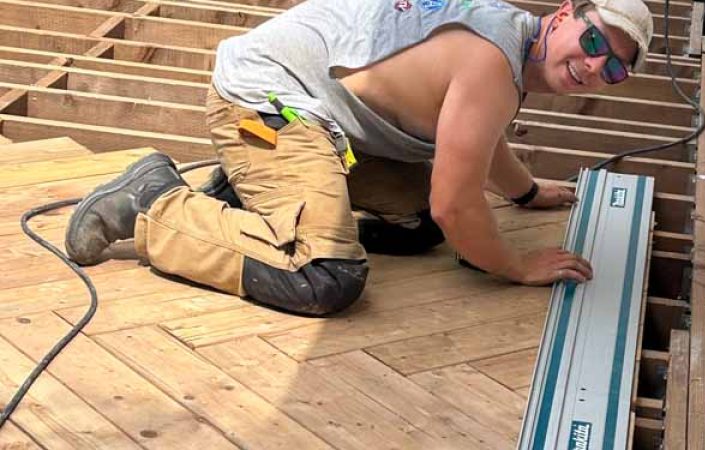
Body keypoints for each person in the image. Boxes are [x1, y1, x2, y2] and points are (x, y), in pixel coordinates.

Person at [64, 0, 653, 315]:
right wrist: (514, 265)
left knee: (416, 224)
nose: (597, 65)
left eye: (617, 67)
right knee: (323, 277)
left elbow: (477, 136)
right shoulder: (493, 65)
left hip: (321, 113)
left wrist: (524, 194)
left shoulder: (510, 36)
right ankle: (151, 203)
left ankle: (243, 192)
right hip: (269, 102)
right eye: (595, 41)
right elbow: (457, 204)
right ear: (563, 16)